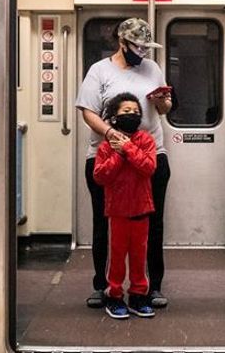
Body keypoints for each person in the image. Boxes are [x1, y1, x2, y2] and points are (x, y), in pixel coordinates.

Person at [75, 17, 173, 309]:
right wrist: (112, 135)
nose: (142, 52)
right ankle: (103, 286)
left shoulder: (153, 68)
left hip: (149, 154)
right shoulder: (99, 71)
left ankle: (152, 286)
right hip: (108, 155)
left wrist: (163, 103)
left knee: (152, 223)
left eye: (146, 47)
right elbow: (88, 111)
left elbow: (164, 108)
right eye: (137, 46)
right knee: (105, 222)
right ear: (122, 42)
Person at [93, 92, 157, 319]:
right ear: (113, 117)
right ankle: (115, 296)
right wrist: (118, 154)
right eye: (126, 112)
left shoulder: (146, 140)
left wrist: (128, 148)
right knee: (117, 257)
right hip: (118, 211)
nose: (132, 115)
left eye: (136, 112)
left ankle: (139, 296)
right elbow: (100, 176)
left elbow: (148, 167)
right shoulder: (105, 147)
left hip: (142, 209)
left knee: (140, 257)